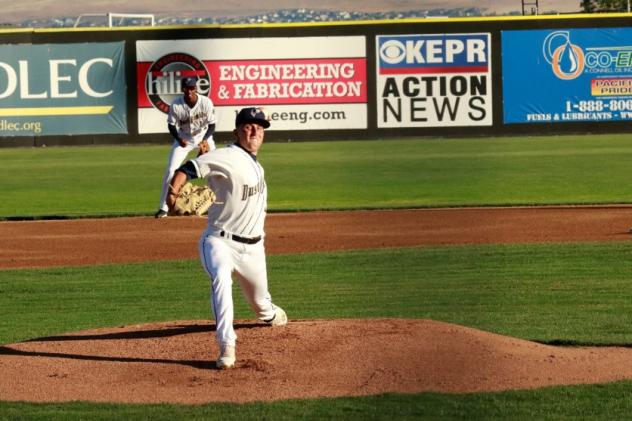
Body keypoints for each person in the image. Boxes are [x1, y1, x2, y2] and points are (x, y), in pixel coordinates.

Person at [167, 107, 287, 369]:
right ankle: (227, 344)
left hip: (254, 250)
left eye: (259, 126)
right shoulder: (226, 156)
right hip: (219, 241)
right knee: (221, 278)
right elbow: (188, 167)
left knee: (261, 306)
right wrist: (172, 195)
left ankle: (269, 313)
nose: (254, 130)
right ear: (236, 131)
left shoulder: (256, 164)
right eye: (248, 125)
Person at [155, 76, 217, 218]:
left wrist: (205, 140)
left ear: (195, 88)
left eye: (191, 87)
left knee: (215, 169)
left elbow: (212, 125)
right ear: (182, 89)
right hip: (185, 139)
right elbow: (171, 125)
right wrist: (178, 139)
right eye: (186, 88)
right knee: (171, 170)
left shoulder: (206, 102)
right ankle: (164, 208)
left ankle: (220, 203)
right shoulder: (176, 105)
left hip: (204, 136)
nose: (189, 91)